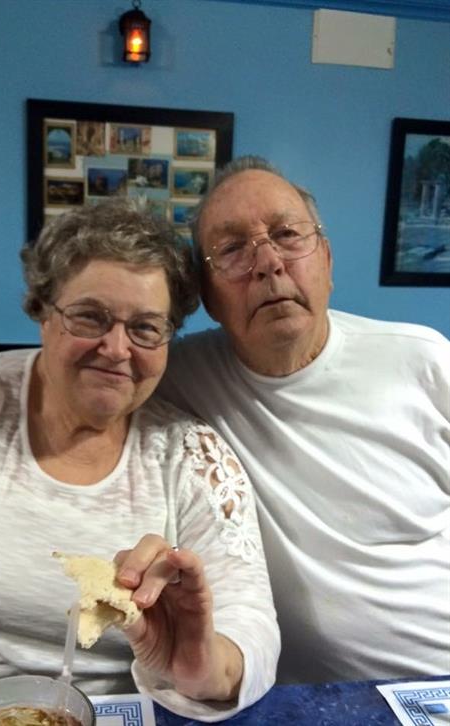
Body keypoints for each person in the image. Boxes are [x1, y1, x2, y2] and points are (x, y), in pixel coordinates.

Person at [0, 198, 280, 721]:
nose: (117, 349)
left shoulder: (193, 458)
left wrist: (205, 667)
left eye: (146, 327)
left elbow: (250, 621)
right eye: (89, 317)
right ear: (42, 311)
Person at [159, 156, 450, 684]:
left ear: (327, 262)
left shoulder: (425, 361)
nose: (268, 263)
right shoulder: (173, 377)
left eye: (288, 235)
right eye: (232, 249)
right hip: (292, 699)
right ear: (208, 298)